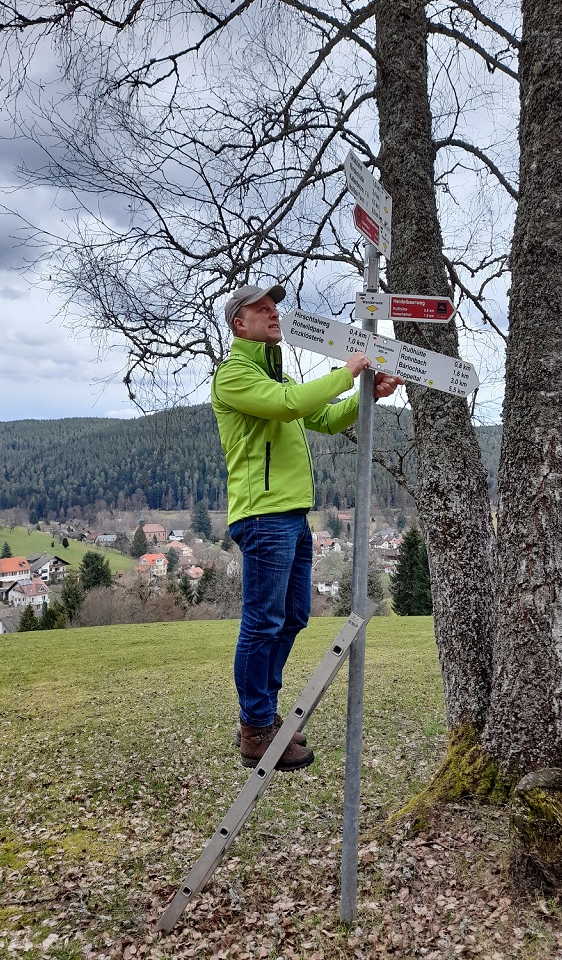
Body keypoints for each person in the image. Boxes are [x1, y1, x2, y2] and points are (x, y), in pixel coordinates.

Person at [211, 282, 402, 772]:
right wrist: (347, 372)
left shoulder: (275, 379)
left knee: (293, 616)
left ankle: (265, 717)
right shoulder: (234, 374)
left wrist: (367, 396)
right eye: (263, 309)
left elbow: (326, 417)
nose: (275, 313)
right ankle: (255, 727)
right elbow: (293, 405)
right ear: (241, 324)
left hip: (293, 516)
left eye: (275, 306)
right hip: (263, 516)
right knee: (262, 622)